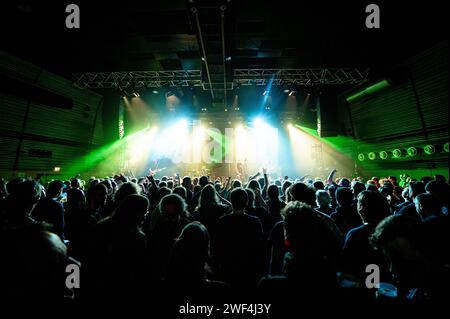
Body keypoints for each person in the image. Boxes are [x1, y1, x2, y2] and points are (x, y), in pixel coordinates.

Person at [214, 188, 264, 290]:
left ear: (231, 202)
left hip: (228, 267)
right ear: (247, 202)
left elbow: (217, 246)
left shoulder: (223, 221)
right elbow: (260, 246)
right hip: (249, 267)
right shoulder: (255, 221)